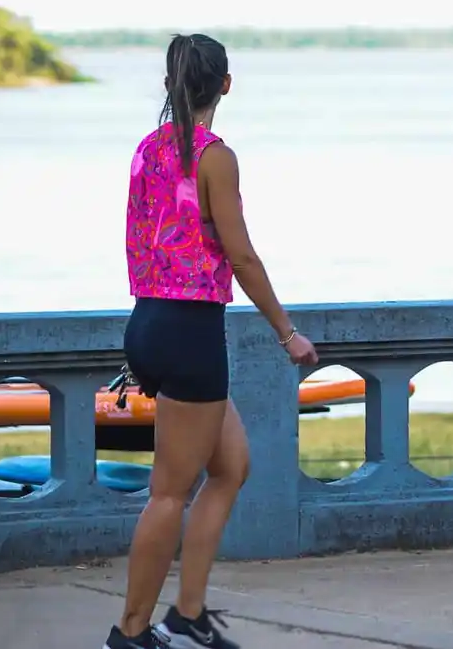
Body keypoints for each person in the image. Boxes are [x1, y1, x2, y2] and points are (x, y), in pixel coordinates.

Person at [104, 33, 319, 649]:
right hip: (191, 332)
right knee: (169, 493)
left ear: (170, 83)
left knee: (231, 466)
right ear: (225, 84)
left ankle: (188, 617)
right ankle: (130, 633)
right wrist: (288, 333)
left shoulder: (147, 150)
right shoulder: (215, 157)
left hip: (147, 323)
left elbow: (141, 238)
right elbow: (241, 256)